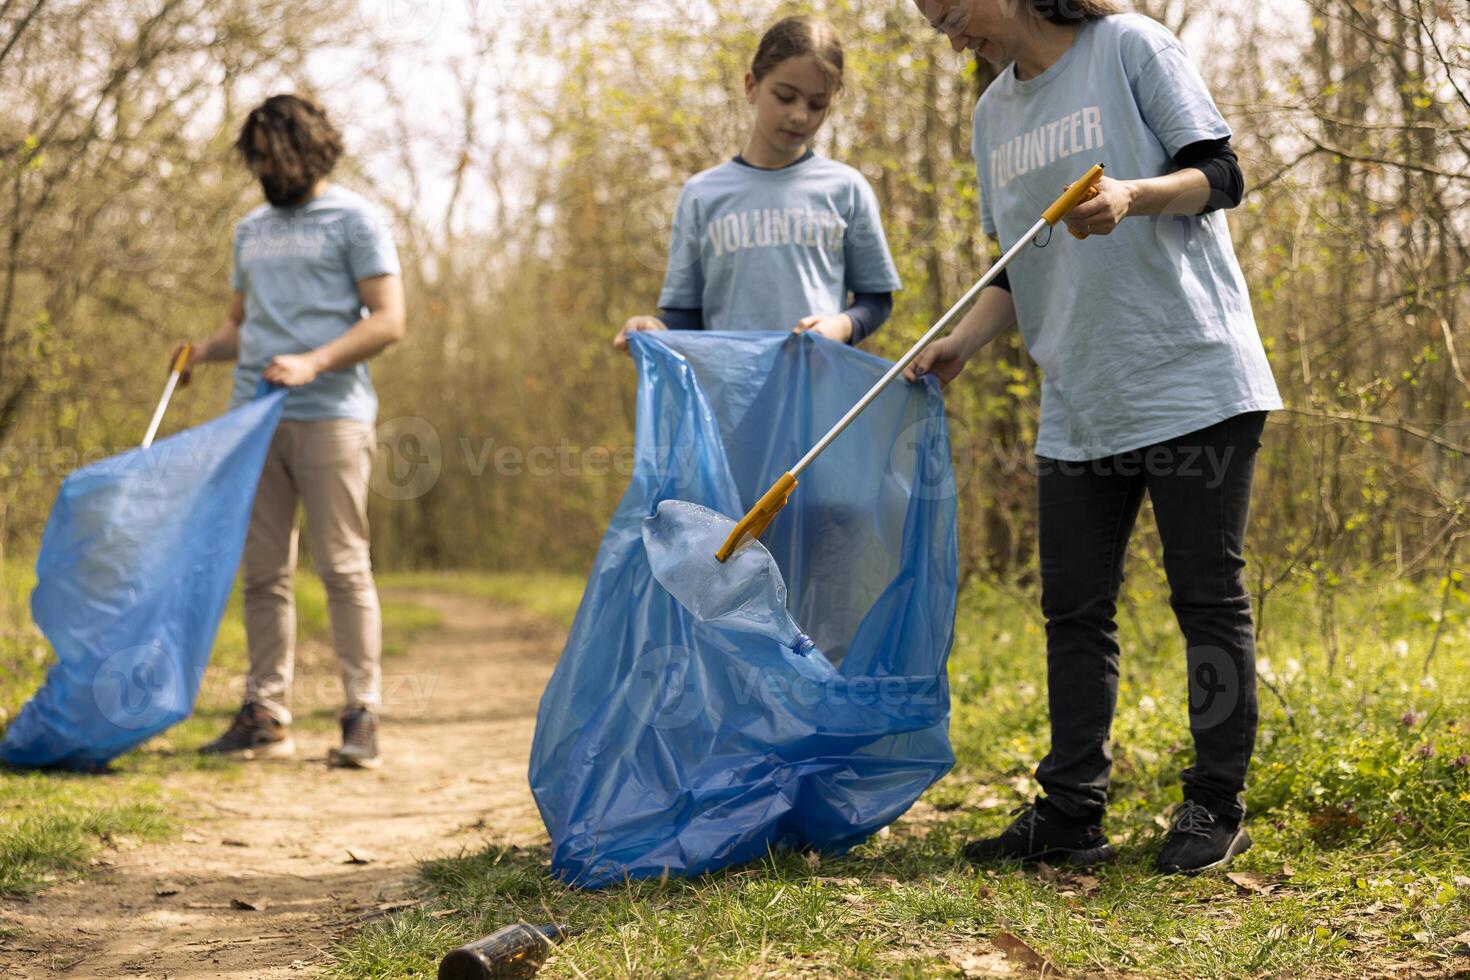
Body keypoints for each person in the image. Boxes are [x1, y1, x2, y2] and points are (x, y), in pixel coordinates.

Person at [905, 0, 1282, 874]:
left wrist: (1132, 196)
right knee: (1073, 612)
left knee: (1206, 598)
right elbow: (1018, 264)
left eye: (952, 14)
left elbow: (1222, 174)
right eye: (936, 26)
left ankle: (1213, 806)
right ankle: (1072, 810)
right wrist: (962, 341)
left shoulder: (1130, 47)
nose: (953, 38)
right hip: (1080, 398)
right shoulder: (991, 114)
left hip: (1192, 376)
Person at [171, 94, 405, 769]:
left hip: (333, 413)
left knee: (342, 566)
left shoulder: (356, 219)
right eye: (260, 160)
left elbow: (389, 320)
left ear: (313, 149)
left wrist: (314, 361)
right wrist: (197, 353)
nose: (269, 171)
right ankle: (267, 712)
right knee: (263, 573)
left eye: (279, 157)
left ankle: (361, 715)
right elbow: (240, 326)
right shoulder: (250, 230)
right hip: (251, 419)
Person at [614, 15, 902, 352]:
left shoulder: (847, 189)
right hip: (729, 397)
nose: (799, 115)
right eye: (785, 96)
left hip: (821, 395)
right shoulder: (700, 195)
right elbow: (688, 315)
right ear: (751, 86)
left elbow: (876, 299)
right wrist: (656, 327)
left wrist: (842, 324)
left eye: (816, 104)